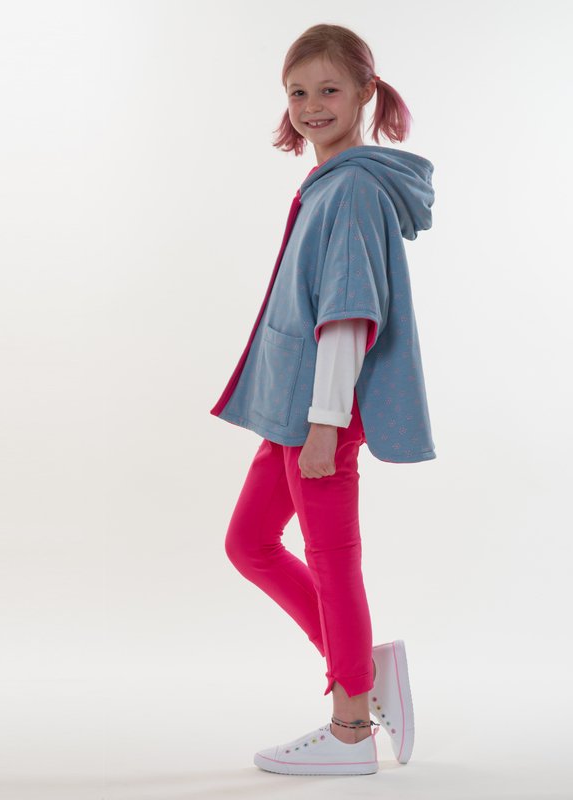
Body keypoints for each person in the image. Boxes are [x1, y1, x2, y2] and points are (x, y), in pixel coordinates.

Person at [210, 23, 435, 776]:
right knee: (249, 543)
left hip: (319, 418)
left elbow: (347, 314)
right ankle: (360, 668)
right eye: (298, 91)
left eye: (329, 89)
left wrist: (323, 425)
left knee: (333, 563)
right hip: (294, 413)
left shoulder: (353, 190)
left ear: (366, 91)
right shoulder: (328, 184)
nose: (311, 105)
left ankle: (349, 731)